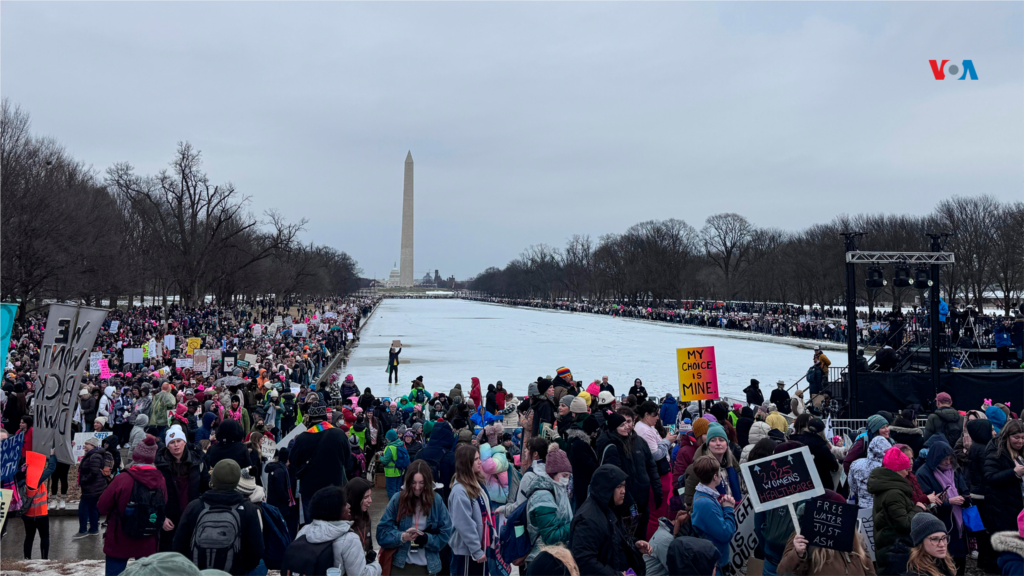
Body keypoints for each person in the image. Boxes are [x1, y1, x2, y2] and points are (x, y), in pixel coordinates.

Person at [173, 459, 264, 576]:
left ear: (213, 479)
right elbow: (256, 549)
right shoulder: (248, 509)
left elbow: (178, 544)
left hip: (198, 572)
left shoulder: (195, 506)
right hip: (234, 572)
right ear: (237, 481)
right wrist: (242, 568)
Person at [97, 435, 168, 576]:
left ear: (136, 456)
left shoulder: (122, 478)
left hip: (119, 537)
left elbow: (102, 507)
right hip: (148, 538)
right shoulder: (161, 480)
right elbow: (163, 503)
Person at [569, 464, 651, 576]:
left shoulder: (609, 508)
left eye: (624, 486)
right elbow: (585, 563)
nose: (624, 491)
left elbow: (615, 540)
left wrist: (634, 544)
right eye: (619, 486)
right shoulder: (588, 520)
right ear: (606, 488)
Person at [377, 460, 453, 576]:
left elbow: (446, 533)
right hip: (400, 567)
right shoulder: (398, 499)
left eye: (421, 483)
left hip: (428, 568)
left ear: (427, 482)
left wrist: (427, 539)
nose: (417, 487)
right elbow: (381, 533)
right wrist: (402, 537)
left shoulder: (436, 501)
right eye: (413, 483)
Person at [284, 485, 381, 576]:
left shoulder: (304, 531)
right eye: (344, 503)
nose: (348, 506)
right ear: (334, 510)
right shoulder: (350, 539)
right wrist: (376, 566)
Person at [777, 493, 875, 576]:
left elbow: (869, 570)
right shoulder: (803, 535)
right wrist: (798, 554)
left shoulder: (854, 537)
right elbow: (783, 571)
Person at [289, 397, 351, 522]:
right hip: (334, 488)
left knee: (312, 525)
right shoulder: (339, 434)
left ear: (310, 418)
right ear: (325, 417)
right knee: (333, 523)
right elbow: (348, 462)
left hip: (310, 490)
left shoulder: (302, 438)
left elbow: (293, 461)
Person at [915, 440, 969, 575]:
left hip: (958, 524)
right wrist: (948, 501)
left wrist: (966, 498)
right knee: (941, 560)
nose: (948, 463)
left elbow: (964, 489)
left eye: (950, 459)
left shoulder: (954, 470)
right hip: (939, 522)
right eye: (944, 459)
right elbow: (927, 502)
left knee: (959, 558)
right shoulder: (924, 473)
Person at [869, 445, 921, 573]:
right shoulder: (894, 493)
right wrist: (918, 509)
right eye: (905, 468)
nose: (908, 471)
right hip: (895, 550)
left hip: (889, 548)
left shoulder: (887, 486)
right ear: (897, 470)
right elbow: (904, 524)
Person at [523, 446, 573, 568]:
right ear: (552, 474)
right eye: (564, 475)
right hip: (542, 561)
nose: (567, 480)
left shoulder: (557, 489)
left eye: (569, 476)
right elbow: (550, 536)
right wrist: (575, 524)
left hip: (554, 556)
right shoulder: (543, 496)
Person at [156, 425, 202, 552]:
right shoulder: (160, 465)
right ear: (167, 446)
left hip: (192, 516)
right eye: (172, 442)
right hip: (170, 519)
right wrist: (162, 518)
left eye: (178, 441)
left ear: (184, 442)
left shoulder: (197, 463)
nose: (176, 445)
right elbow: (155, 495)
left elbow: (204, 489)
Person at [690, 455, 738, 570]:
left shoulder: (704, 496)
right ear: (715, 476)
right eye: (719, 472)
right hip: (715, 564)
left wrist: (721, 507)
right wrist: (728, 509)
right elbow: (726, 534)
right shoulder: (705, 503)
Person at [683, 423, 742, 509]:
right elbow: (690, 503)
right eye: (713, 440)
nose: (718, 443)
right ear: (708, 445)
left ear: (727, 444)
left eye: (721, 440)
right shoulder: (697, 468)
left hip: (734, 516)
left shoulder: (732, 466)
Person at [982, 419, 1024, 541]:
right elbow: (990, 478)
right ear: (1007, 436)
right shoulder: (996, 452)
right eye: (1016, 437)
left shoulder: (1020, 452)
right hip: (1002, 510)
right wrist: (1014, 473)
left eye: (1023, 438)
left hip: (1017, 508)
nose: (1020, 441)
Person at [21, 448, 58, 559]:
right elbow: (51, 468)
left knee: (29, 537)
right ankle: (44, 559)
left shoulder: (21, 478)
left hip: (27, 514)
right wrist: (52, 455)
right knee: (44, 537)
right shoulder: (36, 479)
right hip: (41, 513)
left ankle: (27, 559)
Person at [76, 435, 112, 539]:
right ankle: (94, 529)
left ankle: (82, 531)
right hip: (96, 487)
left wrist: (84, 480)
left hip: (91, 487)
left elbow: (94, 472)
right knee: (93, 508)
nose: (85, 446)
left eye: (87, 444)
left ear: (93, 445)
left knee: (83, 509)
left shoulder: (94, 456)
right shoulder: (94, 454)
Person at [793, 417, 840, 491]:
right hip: (822, 484)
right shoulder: (823, 447)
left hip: (804, 484)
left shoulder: (798, 443)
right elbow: (834, 466)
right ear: (822, 431)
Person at [381, 429, 406, 500]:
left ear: (389, 438)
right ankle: (398, 504)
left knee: (391, 490)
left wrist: (381, 457)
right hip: (400, 471)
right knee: (398, 489)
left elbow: (385, 461)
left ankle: (393, 505)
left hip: (391, 473)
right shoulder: (401, 445)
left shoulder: (389, 448)